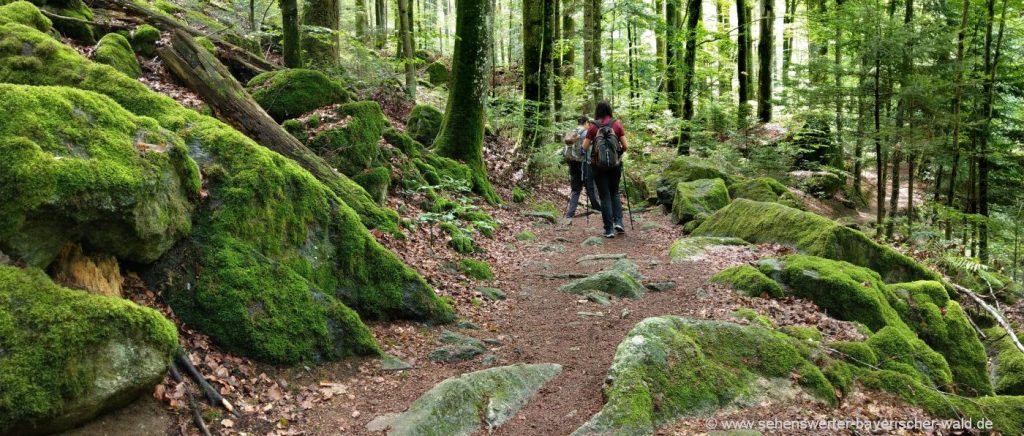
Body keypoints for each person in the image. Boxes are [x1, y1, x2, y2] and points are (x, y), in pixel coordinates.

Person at [582, 101, 628, 238]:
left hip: (598, 166)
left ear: (597, 111)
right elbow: (625, 146)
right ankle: (619, 222)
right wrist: (617, 155)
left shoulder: (593, 127)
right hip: (615, 165)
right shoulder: (617, 124)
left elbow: (584, 147)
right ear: (609, 110)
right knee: (614, 193)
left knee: (604, 196)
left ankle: (608, 230)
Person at [563, 116, 601, 219]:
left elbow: (565, 150)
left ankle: (570, 214)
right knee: (591, 188)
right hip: (585, 164)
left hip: (572, 163)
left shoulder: (571, 132)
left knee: (575, 190)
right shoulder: (586, 133)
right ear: (586, 123)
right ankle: (598, 210)